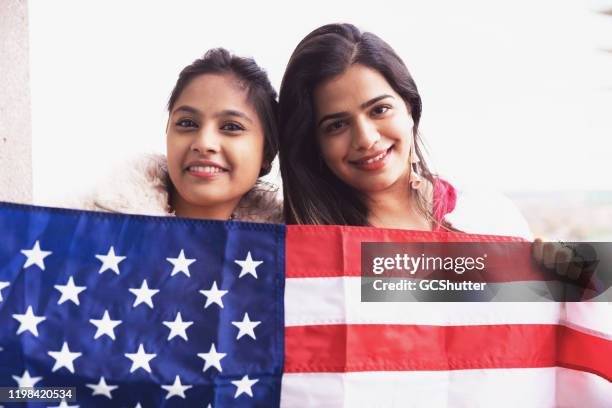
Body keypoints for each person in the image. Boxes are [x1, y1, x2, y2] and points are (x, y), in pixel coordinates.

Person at [278, 23, 532, 238]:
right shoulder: (292, 245)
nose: (366, 139)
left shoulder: (486, 212)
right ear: (313, 143)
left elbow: (537, 295)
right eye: (337, 125)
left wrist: (563, 277)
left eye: (379, 110)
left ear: (409, 108)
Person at [81, 48, 282, 223]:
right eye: (187, 123)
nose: (204, 143)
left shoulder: (286, 255)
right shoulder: (84, 228)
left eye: (231, 127)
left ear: (267, 152)